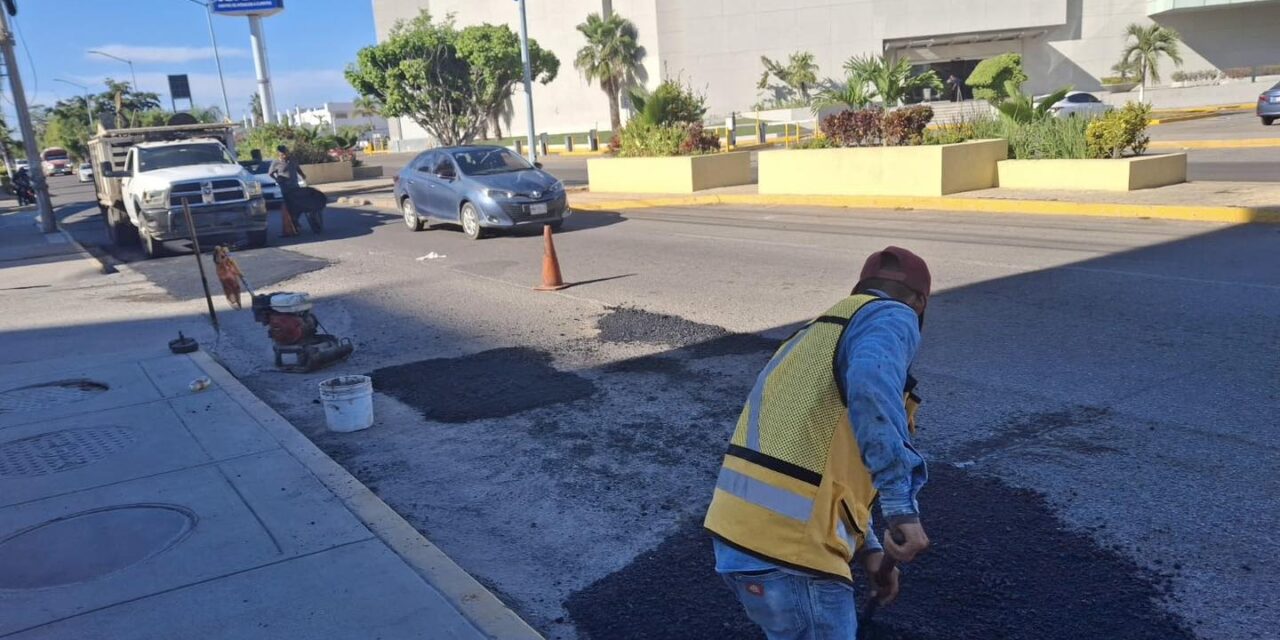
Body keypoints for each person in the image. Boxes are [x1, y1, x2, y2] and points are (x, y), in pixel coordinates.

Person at [704, 246, 933, 640]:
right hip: (792, 557)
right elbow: (872, 386)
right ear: (919, 302)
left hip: (740, 544)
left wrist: (870, 550)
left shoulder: (814, 336)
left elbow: (824, 466)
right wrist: (900, 507)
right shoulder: (894, 314)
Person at [268, 145, 307, 237]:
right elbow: (270, 173)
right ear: (279, 154)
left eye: (285, 152)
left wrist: (303, 175)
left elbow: (298, 169)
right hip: (285, 188)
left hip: (295, 186)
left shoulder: (293, 160)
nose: (284, 155)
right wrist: (277, 179)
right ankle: (293, 224)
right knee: (289, 206)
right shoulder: (276, 163)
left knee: (299, 205)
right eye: (282, 153)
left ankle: (296, 221)